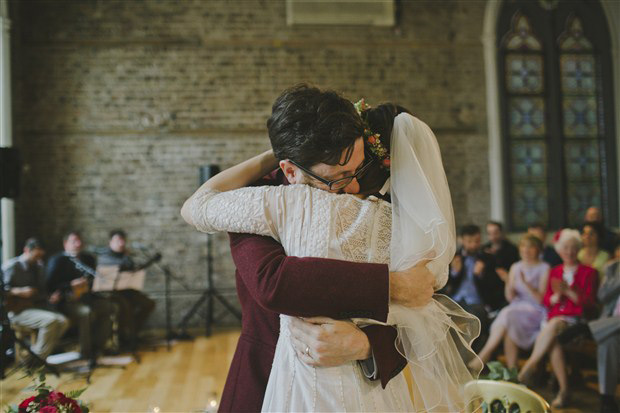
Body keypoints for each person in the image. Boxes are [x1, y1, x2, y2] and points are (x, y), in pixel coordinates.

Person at [182, 90, 480, 411]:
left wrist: (367, 345)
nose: (352, 188)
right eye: (336, 179)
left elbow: (422, 313)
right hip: (264, 377)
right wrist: (393, 285)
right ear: (292, 170)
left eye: (359, 170)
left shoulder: (385, 205)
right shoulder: (260, 196)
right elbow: (274, 282)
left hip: (365, 389)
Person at [518, 229, 598, 408]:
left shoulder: (589, 272)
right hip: (555, 320)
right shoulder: (555, 271)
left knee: (553, 326)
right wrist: (555, 296)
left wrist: (569, 291)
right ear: (560, 251)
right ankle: (564, 390)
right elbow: (546, 300)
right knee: (554, 339)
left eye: (573, 248)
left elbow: (590, 305)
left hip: (577, 321)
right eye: (565, 248)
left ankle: (528, 369)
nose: (569, 252)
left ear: (578, 249)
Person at [475, 234, 549, 369]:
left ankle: (485, 354)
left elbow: (541, 300)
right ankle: (512, 372)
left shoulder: (544, 267)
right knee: (509, 321)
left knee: (507, 313)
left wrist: (526, 283)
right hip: (517, 308)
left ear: (538, 250)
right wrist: (508, 282)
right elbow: (510, 298)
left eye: (531, 247)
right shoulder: (516, 266)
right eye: (524, 247)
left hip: (536, 310)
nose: (526, 250)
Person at [559, 252, 620, 413]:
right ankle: (607, 398)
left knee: (603, 332)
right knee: (609, 340)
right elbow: (602, 297)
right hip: (612, 326)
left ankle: (588, 329)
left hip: (605, 324)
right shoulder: (615, 268)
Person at [46, 231, 114, 360]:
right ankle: (86, 353)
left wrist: (88, 285)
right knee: (86, 313)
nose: (78, 244)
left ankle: (98, 347)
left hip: (87, 297)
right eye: (74, 241)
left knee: (109, 307)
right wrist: (71, 285)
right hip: (67, 301)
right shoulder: (57, 260)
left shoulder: (87, 259)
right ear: (65, 244)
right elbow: (50, 285)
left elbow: (96, 280)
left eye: (79, 241)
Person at [2, 238, 69, 364]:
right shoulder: (12, 266)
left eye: (41, 256)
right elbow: (3, 292)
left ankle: (35, 357)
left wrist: (50, 297)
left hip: (34, 306)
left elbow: (40, 291)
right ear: (27, 250)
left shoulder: (39, 266)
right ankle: (36, 361)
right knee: (51, 321)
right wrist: (19, 291)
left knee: (63, 321)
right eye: (36, 255)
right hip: (15, 310)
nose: (38, 259)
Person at [442, 224, 504, 344]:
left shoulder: (488, 258)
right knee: (444, 319)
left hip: (477, 301)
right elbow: (446, 283)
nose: (473, 245)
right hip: (455, 300)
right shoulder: (454, 256)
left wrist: (480, 275)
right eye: (469, 241)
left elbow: (494, 286)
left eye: (476, 241)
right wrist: (455, 272)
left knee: (474, 321)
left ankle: (472, 358)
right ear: (462, 240)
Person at [97, 229, 155, 351]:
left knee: (148, 304)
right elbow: (114, 268)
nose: (121, 243)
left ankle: (132, 333)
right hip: (113, 293)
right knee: (125, 308)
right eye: (117, 240)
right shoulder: (105, 256)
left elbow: (133, 270)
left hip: (129, 291)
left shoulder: (126, 256)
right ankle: (124, 338)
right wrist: (126, 258)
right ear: (110, 242)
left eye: (122, 240)